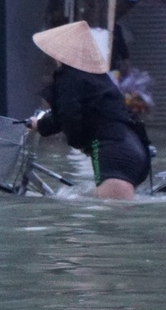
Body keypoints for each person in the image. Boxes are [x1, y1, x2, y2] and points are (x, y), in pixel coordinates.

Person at [29, 20, 151, 201]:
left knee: (110, 224)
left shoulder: (70, 77)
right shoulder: (95, 78)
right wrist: (41, 124)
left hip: (114, 156)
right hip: (132, 148)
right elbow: (68, 112)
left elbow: (69, 116)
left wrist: (78, 143)